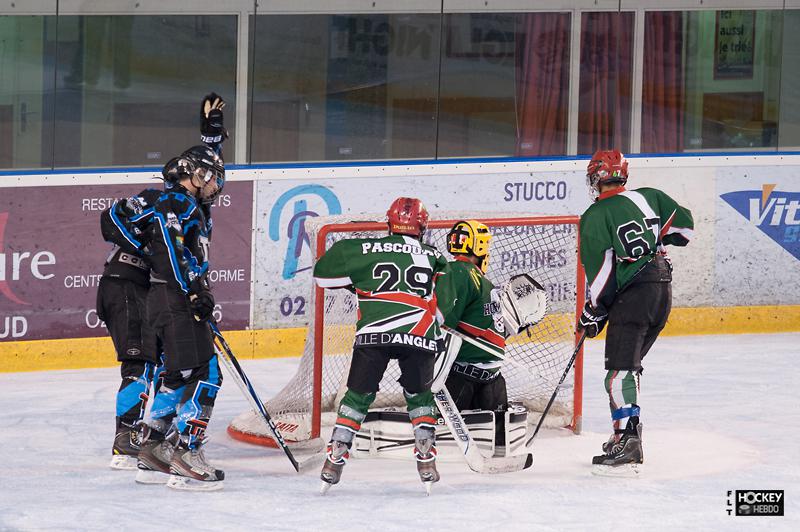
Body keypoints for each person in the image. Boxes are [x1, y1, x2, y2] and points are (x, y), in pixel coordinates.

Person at [313, 197, 449, 493]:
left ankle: (336, 455)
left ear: (389, 224)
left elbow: (321, 277)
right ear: (421, 227)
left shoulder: (360, 248)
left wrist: (355, 282)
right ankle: (426, 458)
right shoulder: (434, 255)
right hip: (419, 334)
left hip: (373, 333)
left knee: (358, 396)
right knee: (419, 396)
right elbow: (442, 308)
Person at [132, 94, 228, 491]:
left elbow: (202, 163)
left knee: (178, 373)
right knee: (206, 373)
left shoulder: (187, 199)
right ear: (193, 176)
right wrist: (193, 291)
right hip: (175, 296)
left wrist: (212, 136)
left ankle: (153, 446)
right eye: (209, 178)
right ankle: (187, 450)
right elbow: (172, 250)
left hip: (168, 297)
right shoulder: (175, 200)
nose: (215, 185)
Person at [578, 149, 693, 474]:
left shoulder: (596, 214)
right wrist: (651, 239)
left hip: (635, 296)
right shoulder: (650, 197)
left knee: (619, 372)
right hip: (662, 292)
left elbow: (601, 274)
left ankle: (628, 441)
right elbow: (686, 230)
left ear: (596, 178)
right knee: (628, 369)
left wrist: (592, 312)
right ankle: (624, 435)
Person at [99, 188, 163, 470]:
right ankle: (126, 436)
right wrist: (143, 248)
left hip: (143, 291)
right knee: (139, 361)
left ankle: (155, 431)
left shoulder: (191, 212)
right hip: (125, 285)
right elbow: (109, 219)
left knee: (160, 361)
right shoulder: (156, 200)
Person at [435, 221, 510, 448]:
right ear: (479, 247)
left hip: (473, 382)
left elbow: (447, 322)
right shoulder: (470, 276)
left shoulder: (466, 275)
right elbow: (444, 324)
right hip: (478, 383)